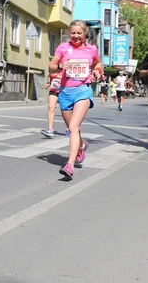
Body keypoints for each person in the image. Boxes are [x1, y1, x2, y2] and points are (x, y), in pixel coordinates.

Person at [49, 20, 103, 180]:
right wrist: (60, 67)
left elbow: (98, 63)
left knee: (72, 127)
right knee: (73, 129)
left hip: (83, 91)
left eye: (79, 33)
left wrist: (97, 72)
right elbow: (51, 66)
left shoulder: (91, 49)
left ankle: (69, 165)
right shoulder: (63, 48)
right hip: (65, 92)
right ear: (69, 33)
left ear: (85, 34)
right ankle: (81, 145)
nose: (76, 36)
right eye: (73, 33)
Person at [41, 69, 66, 137]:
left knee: (65, 110)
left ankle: (69, 128)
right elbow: (49, 75)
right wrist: (48, 83)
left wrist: (59, 77)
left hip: (64, 91)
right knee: (50, 107)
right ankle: (50, 129)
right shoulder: (53, 67)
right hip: (53, 91)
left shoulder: (66, 68)